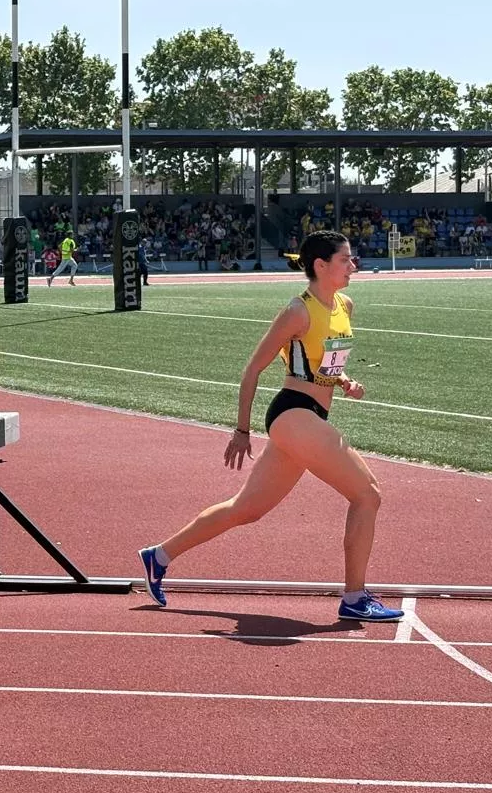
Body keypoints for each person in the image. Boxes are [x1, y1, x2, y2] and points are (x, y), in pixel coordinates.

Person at [136, 230, 404, 623]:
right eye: (345, 259)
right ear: (321, 265)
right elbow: (252, 370)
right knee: (368, 494)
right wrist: (241, 431)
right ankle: (354, 597)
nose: (353, 265)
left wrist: (345, 382)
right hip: (293, 413)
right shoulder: (297, 310)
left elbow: (325, 363)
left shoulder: (345, 305)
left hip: (311, 416)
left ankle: (159, 556)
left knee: (246, 509)